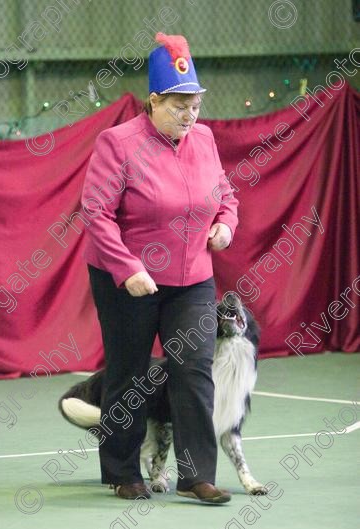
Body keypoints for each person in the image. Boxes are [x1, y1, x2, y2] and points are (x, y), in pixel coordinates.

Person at [81, 32, 239, 503]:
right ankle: (122, 470)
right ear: (154, 101)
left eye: (196, 105)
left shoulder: (205, 139)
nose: (190, 115)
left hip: (192, 277)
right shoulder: (118, 143)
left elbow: (225, 195)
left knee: (193, 369)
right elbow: (96, 213)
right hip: (130, 279)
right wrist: (127, 267)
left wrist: (226, 224)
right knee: (129, 372)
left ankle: (196, 476)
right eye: (180, 105)